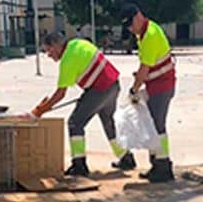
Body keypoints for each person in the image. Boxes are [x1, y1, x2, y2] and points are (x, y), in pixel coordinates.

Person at [28, 30, 134, 177]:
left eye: (48, 50)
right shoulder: (78, 43)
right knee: (108, 123)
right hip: (113, 85)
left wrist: (39, 111)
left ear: (56, 45)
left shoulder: (67, 59)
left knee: (75, 123)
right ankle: (126, 157)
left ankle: (79, 165)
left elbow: (60, 94)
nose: (48, 55)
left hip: (99, 90)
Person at [119, 3, 175, 183]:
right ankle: (158, 164)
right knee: (153, 125)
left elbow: (145, 68)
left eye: (130, 24)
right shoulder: (142, 34)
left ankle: (163, 166)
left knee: (157, 126)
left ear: (138, 16)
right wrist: (142, 77)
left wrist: (134, 89)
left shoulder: (149, 35)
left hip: (162, 86)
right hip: (157, 84)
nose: (130, 28)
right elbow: (148, 66)